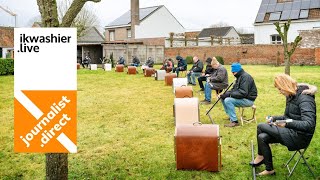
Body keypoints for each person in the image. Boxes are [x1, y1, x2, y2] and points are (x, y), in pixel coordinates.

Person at [250, 74, 317, 176]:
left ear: (286, 85)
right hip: (291, 132)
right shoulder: (291, 96)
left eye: (280, 89)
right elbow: (287, 117)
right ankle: (269, 169)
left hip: (300, 137)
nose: (280, 92)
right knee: (262, 137)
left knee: (260, 126)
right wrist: (274, 118)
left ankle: (260, 156)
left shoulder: (305, 99)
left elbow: (309, 124)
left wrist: (286, 124)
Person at [219, 62, 258, 127]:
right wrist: (225, 93)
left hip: (248, 100)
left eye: (233, 72)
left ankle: (235, 121)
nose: (232, 74)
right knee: (223, 98)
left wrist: (229, 95)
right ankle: (231, 116)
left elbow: (243, 92)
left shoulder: (245, 77)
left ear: (237, 71)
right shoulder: (239, 76)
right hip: (243, 98)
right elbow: (234, 89)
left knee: (228, 100)